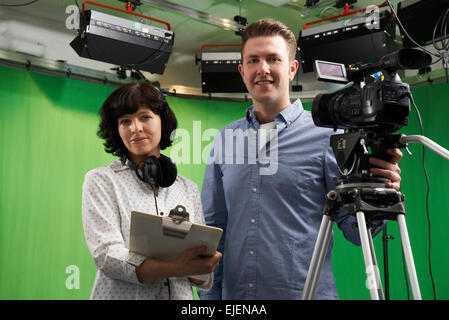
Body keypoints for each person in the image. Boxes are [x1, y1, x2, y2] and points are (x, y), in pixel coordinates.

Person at [198, 19, 402, 300]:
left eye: (273, 59)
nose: (263, 69)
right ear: (242, 71)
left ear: (292, 69)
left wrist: (378, 194)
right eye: (253, 60)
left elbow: (356, 233)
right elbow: (213, 230)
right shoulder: (224, 139)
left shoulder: (329, 135)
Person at [82, 82, 222, 300]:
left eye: (144, 117)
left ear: (162, 121)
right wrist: (177, 267)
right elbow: (106, 255)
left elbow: (202, 279)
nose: (134, 128)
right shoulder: (102, 180)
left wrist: (203, 266)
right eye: (125, 121)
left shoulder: (187, 188)